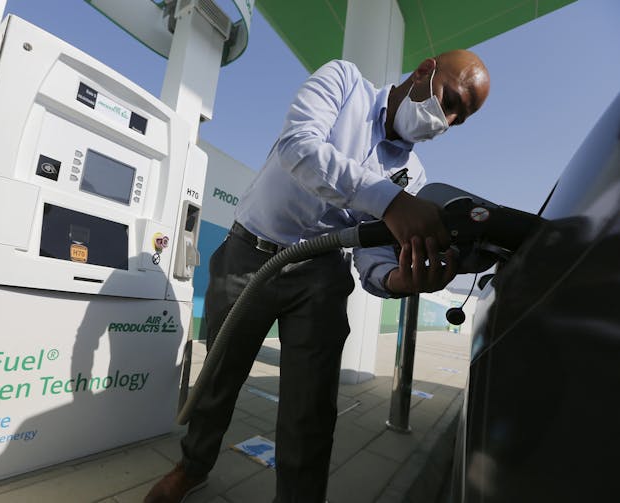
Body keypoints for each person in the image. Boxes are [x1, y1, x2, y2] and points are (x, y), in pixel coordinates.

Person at [145, 49, 490, 503]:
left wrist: (398, 281)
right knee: (219, 377)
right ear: (425, 70)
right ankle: (193, 467)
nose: (445, 120)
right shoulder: (344, 82)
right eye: (450, 100)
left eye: (458, 118)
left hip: (322, 275)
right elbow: (298, 147)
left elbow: (373, 258)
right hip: (249, 252)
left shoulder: (412, 174)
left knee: (311, 408)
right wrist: (388, 200)